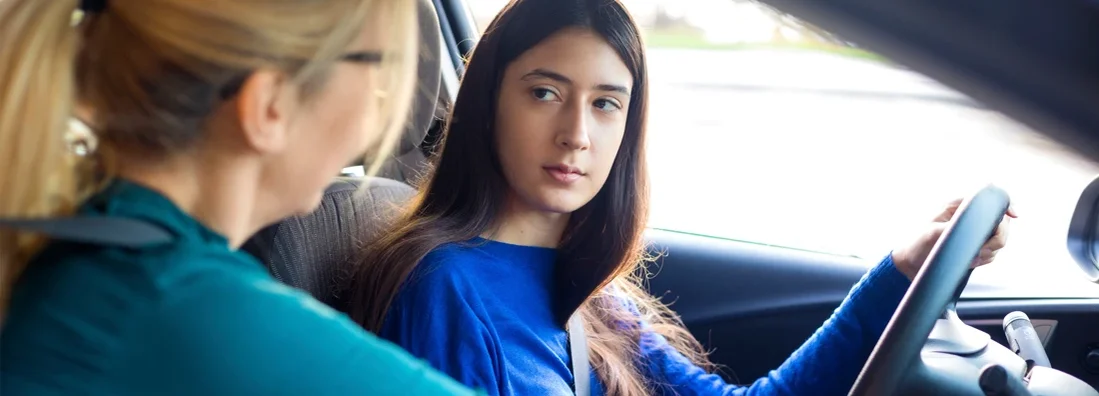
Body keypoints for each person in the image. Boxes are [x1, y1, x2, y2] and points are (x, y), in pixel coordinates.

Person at [343, 0, 1016, 395]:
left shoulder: (587, 287)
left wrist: (899, 269)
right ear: (489, 103)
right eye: (544, 93)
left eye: (605, 104)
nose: (576, 134)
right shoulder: (444, 289)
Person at [0, 0, 479, 395]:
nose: (380, 108)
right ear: (270, 106)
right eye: (377, 73)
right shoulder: (175, 306)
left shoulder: (105, 261)